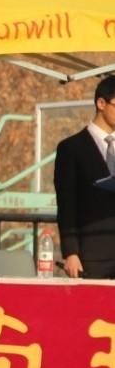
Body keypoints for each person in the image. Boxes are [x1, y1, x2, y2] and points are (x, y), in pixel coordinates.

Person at [54, 75, 115, 279]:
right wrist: (71, 252)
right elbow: (66, 203)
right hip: (93, 254)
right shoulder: (71, 148)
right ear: (101, 103)